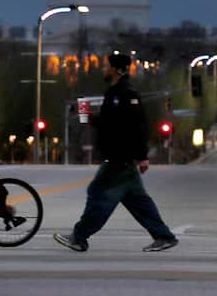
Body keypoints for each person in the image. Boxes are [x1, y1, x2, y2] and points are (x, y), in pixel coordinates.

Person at [55, 50, 178, 253]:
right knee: (138, 201)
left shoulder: (127, 95)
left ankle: (79, 237)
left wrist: (142, 156)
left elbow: (138, 127)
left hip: (120, 159)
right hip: (120, 158)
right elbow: (107, 124)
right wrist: (86, 115)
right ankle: (164, 236)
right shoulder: (113, 94)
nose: (104, 69)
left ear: (114, 69)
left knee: (99, 196)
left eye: (106, 66)